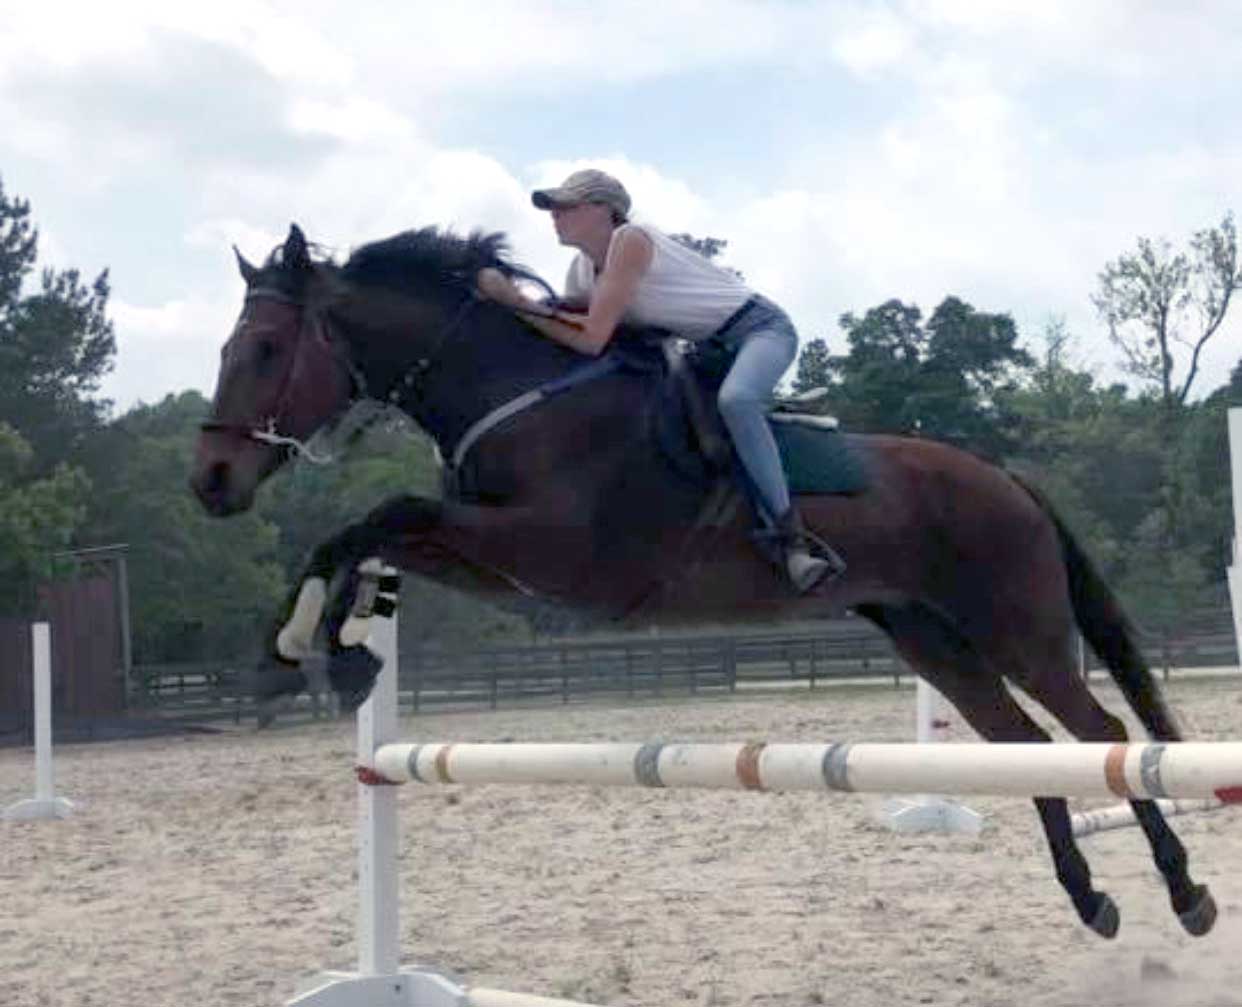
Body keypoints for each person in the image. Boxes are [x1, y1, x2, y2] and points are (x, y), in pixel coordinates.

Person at [475, 168, 835, 593]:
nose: (555, 216)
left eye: (566, 206)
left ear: (604, 211)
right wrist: (508, 308)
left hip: (760, 330)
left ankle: (793, 540)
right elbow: (566, 324)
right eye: (554, 209)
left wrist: (517, 304)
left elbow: (590, 337)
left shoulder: (631, 241)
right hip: (705, 350)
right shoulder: (580, 271)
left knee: (737, 402)